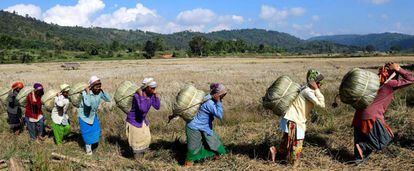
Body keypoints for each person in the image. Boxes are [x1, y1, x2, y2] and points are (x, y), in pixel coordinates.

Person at [352, 63, 414, 163]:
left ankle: (358, 162)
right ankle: (364, 147)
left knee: (360, 140)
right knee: (385, 139)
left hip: (358, 115)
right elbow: (411, 79)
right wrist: (399, 69)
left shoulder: (371, 83)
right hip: (371, 117)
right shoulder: (389, 84)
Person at [269, 69, 325, 167]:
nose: (320, 84)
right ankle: (294, 166)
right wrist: (316, 89)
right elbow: (321, 105)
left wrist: (315, 89)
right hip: (295, 121)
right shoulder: (308, 92)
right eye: (318, 82)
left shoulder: (304, 89)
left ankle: (274, 150)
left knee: (287, 142)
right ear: (312, 82)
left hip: (290, 118)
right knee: (296, 145)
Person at [184, 83, 227, 166]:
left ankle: (213, 159)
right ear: (217, 94)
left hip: (203, 127)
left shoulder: (206, 97)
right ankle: (187, 165)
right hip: (194, 127)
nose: (223, 98)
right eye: (222, 95)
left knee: (214, 143)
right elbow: (220, 115)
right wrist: (218, 101)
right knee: (193, 150)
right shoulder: (209, 103)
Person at [126, 78, 160, 158]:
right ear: (147, 87)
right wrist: (142, 96)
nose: (153, 90)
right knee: (137, 141)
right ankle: (137, 160)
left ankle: (142, 158)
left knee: (145, 138)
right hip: (134, 121)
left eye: (154, 88)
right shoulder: (137, 96)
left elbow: (157, 106)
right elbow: (143, 109)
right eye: (152, 88)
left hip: (142, 120)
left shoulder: (151, 95)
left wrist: (156, 96)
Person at [78, 76, 111, 155]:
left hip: (92, 116)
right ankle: (88, 150)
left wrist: (102, 90)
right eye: (96, 86)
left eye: (99, 86)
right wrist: (88, 92)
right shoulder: (85, 93)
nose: (98, 88)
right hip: (84, 117)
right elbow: (88, 104)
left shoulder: (99, 93)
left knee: (96, 130)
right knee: (87, 133)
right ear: (91, 86)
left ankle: (93, 145)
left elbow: (108, 99)